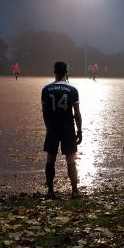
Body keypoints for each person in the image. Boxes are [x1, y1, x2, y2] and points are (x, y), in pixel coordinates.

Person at [41, 62, 83, 199]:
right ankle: (74, 191)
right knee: (71, 159)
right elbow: (76, 113)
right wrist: (79, 130)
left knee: (50, 158)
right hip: (67, 127)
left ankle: (50, 191)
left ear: (54, 72)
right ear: (66, 72)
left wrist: (48, 126)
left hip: (52, 127)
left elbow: (45, 112)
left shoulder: (46, 89)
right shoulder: (72, 90)